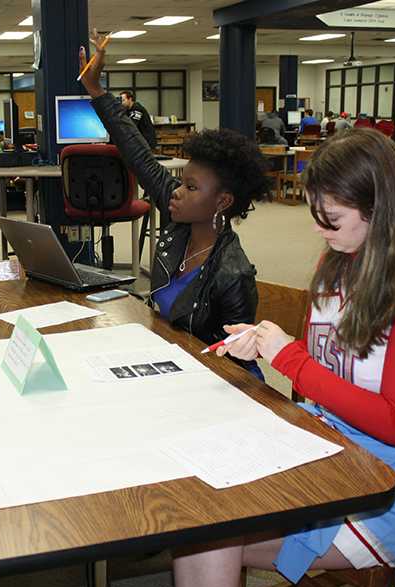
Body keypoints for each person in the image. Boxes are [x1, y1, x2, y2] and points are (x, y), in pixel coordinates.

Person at [173, 128, 395, 587]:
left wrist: (289, 357)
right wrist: (268, 345)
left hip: (392, 486)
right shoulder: (339, 260)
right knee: (202, 510)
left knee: (210, 533)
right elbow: (333, 368)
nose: (318, 229)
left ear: (380, 211)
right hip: (332, 448)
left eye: (329, 218)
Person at [80, 32, 270, 379]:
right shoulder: (178, 218)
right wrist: (97, 91)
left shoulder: (233, 273)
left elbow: (240, 366)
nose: (178, 192)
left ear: (222, 202)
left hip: (210, 381)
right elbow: (138, 153)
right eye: (181, 182)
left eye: (191, 187)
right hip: (165, 361)